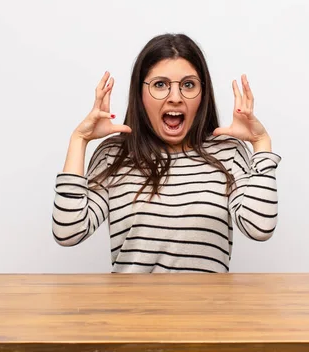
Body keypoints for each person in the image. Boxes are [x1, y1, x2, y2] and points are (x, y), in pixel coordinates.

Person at [51, 33, 281, 273]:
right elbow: (68, 232)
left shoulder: (228, 153)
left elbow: (259, 228)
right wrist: (79, 140)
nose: (175, 98)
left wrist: (260, 142)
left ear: (203, 94)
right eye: (160, 85)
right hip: (133, 309)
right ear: (140, 94)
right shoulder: (114, 155)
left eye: (188, 85)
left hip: (208, 310)